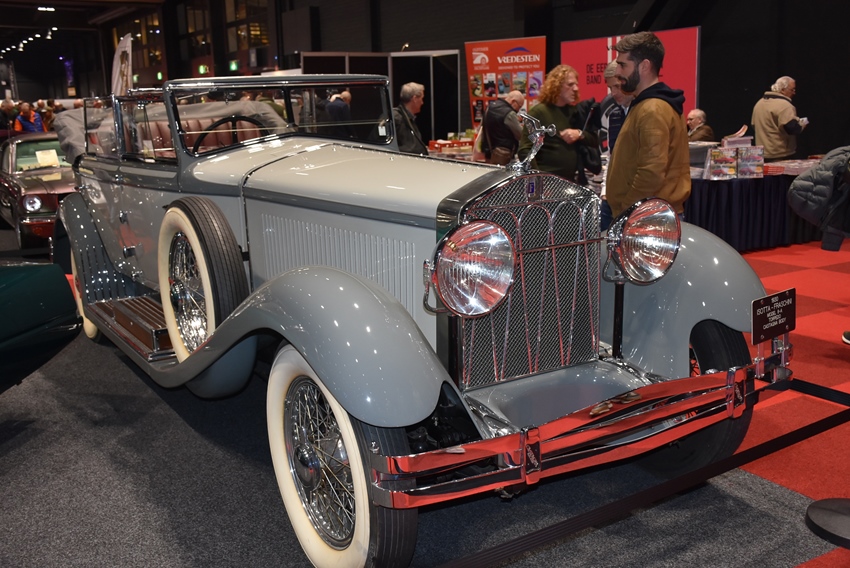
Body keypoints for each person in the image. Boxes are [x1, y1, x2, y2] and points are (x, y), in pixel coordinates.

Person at [605, 31, 690, 219]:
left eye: (623, 65)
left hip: (648, 218)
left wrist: (627, 212)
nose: (618, 72)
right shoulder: (648, 105)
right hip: (649, 214)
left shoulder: (652, 109)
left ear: (644, 66)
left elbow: (651, 173)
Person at [517, 64, 599, 183]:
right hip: (547, 182)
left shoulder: (574, 112)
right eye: (570, 84)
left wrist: (579, 134)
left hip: (570, 182)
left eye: (576, 84)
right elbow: (525, 150)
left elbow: (594, 140)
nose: (576, 89)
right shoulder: (538, 113)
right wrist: (538, 180)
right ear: (556, 86)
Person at [598, 60, 634, 230]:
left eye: (617, 87)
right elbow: (612, 157)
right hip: (612, 198)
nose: (613, 93)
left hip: (635, 197)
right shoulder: (614, 115)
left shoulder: (642, 113)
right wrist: (605, 191)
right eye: (610, 88)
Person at [751, 76, 808, 161]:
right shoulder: (785, 106)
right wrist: (802, 123)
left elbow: (753, 125)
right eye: (792, 89)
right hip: (781, 154)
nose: (794, 93)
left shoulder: (759, 104)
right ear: (783, 90)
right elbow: (792, 129)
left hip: (762, 154)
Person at [481, 90, 525, 165]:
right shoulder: (509, 113)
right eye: (519, 106)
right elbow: (520, 134)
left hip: (488, 152)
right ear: (513, 102)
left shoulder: (490, 107)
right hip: (502, 156)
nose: (518, 110)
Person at [392, 82, 428, 155]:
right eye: (421, 98)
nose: (422, 103)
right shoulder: (397, 118)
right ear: (415, 99)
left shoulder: (406, 117)